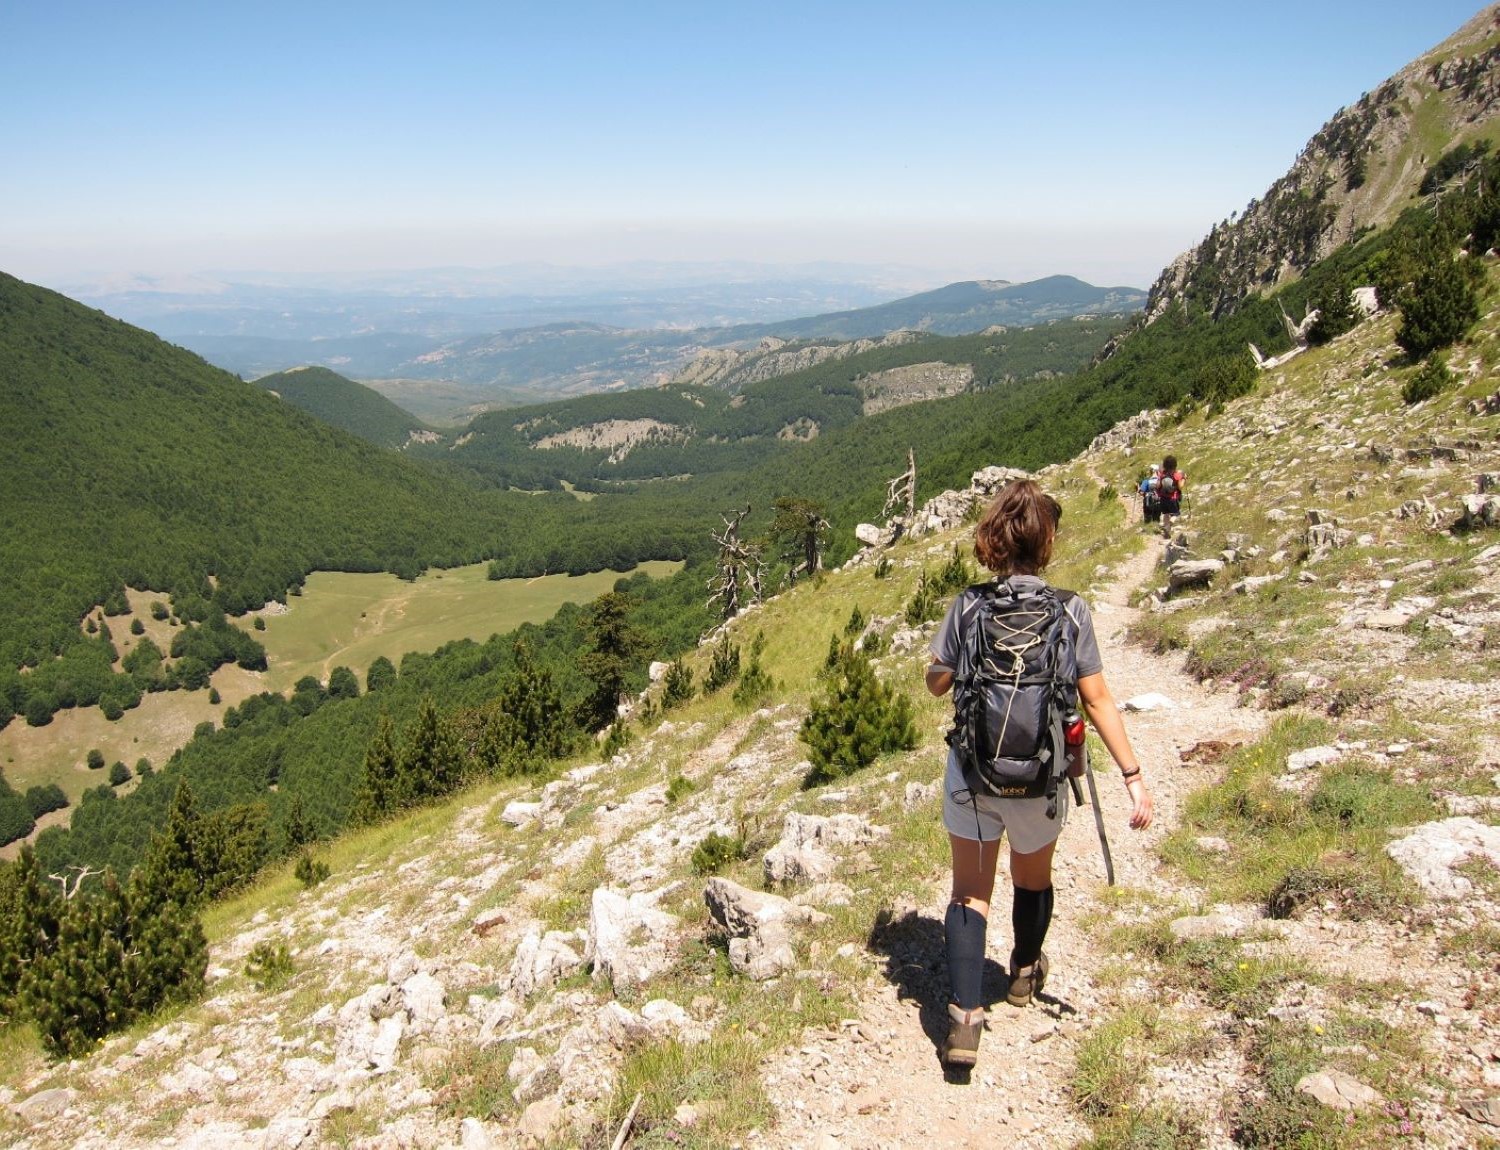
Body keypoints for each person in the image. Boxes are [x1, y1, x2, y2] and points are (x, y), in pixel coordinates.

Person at [925, 479, 1154, 1068]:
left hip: (973, 776)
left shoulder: (970, 605)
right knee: (1032, 880)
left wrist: (945, 670)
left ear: (994, 538)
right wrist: (1132, 774)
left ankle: (964, 1021)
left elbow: (939, 680)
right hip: (1041, 777)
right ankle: (1024, 972)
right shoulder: (1070, 610)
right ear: (1046, 541)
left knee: (970, 892)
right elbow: (1097, 699)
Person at [1158, 455, 1185, 537]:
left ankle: (1166, 528)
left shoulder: (1162, 474)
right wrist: (1183, 479)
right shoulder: (1176, 475)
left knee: (1166, 514)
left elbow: (1158, 485)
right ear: (1175, 465)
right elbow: (1180, 486)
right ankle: (1170, 524)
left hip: (1163, 498)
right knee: (1176, 514)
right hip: (1173, 498)